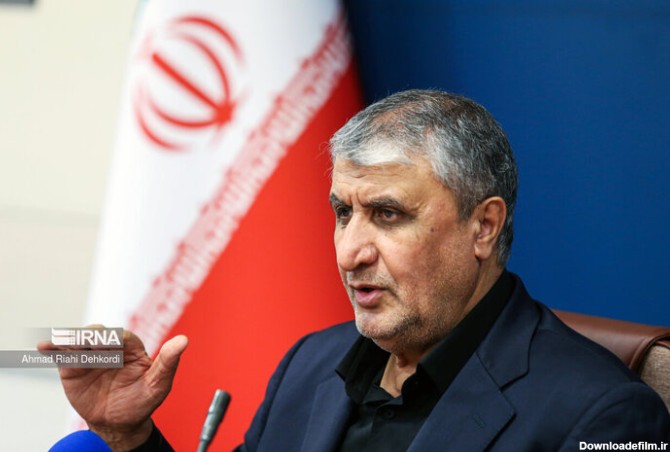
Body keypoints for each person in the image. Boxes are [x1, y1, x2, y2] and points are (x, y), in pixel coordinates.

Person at [44, 90, 670, 450]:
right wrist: (130, 438)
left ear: (483, 227)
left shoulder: (606, 416)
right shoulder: (311, 364)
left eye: (388, 215)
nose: (350, 251)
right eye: (343, 213)